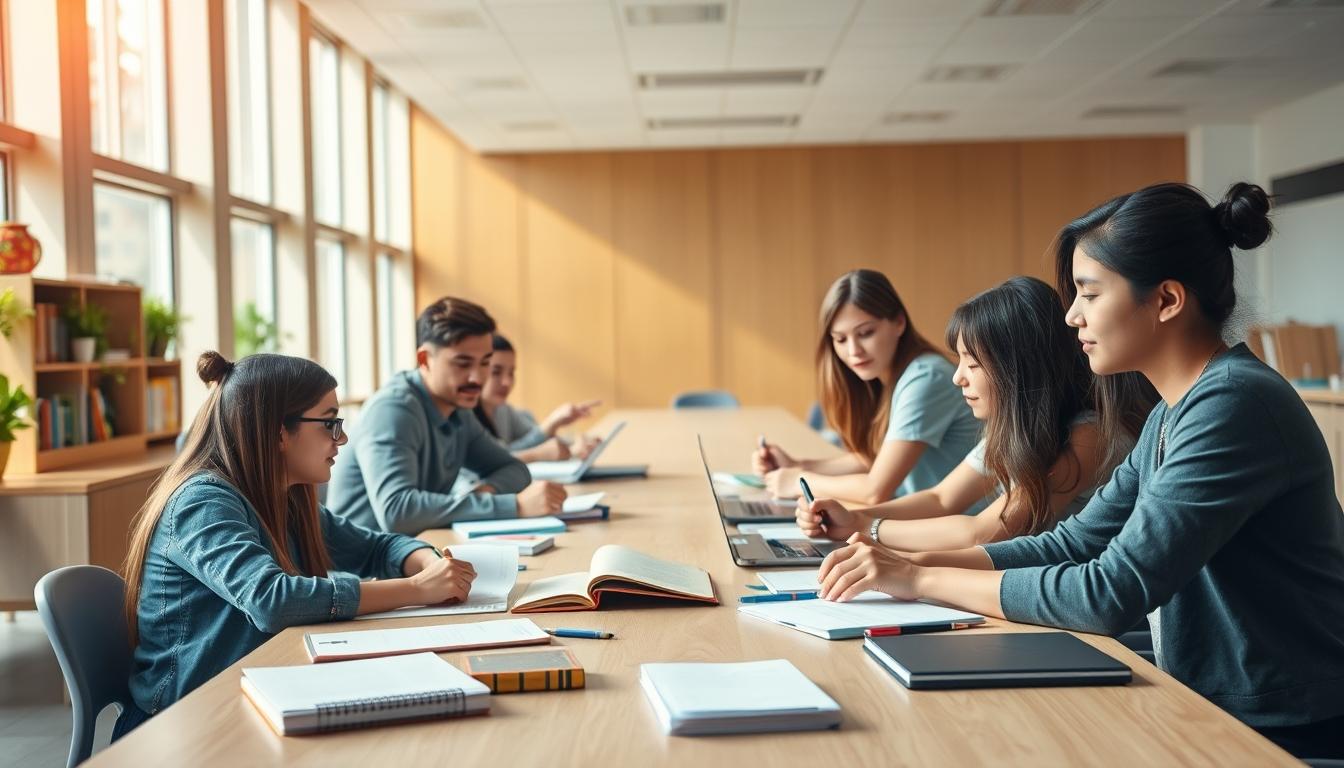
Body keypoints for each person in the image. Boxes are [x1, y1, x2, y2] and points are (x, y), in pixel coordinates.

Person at [814, 183, 1344, 760]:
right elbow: (1075, 541)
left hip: (1278, 723)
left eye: (1088, 295)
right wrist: (904, 564)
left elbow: (1107, 591)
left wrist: (917, 580)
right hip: (1211, 699)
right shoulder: (1179, 408)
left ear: (1166, 300)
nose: (1070, 317)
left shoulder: (1232, 404)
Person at [116, 352, 477, 737]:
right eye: (329, 423)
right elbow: (273, 600)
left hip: (258, 698)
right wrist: (417, 588)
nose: (342, 437)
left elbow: (376, 548)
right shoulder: (202, 503)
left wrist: (428, 562)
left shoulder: (282, 496)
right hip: (181, 726)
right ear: (279, 432)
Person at [798, 276, 1151, 551]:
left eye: (973, 363)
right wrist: (855, 517)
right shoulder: (1017, 427)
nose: (958, 377)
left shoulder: (1086, 436)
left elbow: (983, 534)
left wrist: (867, 528)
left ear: (1019, 368)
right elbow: (942, 497)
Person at [327, 297, 567, 534]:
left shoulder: (459, 410)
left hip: (416, 554)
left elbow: (514, 469)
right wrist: (513, 505)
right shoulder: (392, 409)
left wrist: (485, 495)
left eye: (485, 363)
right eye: (463, 364)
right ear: (424, 360)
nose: (477, 378)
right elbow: (397, 512)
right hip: (365, 571)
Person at [753, 269, 981, 507]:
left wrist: (800, 480)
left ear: (899, 323)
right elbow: (873, 458)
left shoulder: (926, 378)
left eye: (865, 333)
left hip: (956, 530)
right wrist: (796, 466)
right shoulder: (884, 379)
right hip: (925, 524)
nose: (853, 351)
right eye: (840, 339)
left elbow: (875, 490)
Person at [476, 333, 601, 463]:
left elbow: (539, 441)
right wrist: (551, 423)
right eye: (496, 372)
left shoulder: (503, 410)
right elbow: (494, 459)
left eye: (511, 372)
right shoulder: (467, 417)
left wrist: (574, 443)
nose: (507, 382)